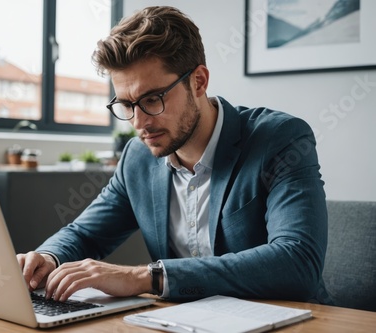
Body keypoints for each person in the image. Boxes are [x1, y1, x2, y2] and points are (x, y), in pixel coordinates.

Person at [17, 6, 330, 304]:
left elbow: (297, 262)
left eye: (152, 99)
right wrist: (47, 258)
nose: (138, 123)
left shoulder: (280, 139)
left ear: (198, 81)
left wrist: (148, 277)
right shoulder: (138, 158)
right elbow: (85, 234)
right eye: (126, 104)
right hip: (183, 321)